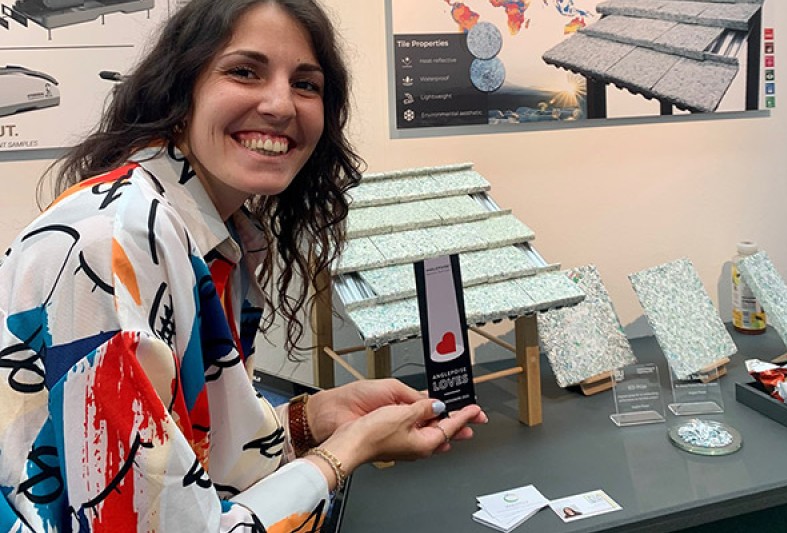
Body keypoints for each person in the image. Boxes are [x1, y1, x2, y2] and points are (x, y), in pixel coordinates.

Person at [0, 0, 487, 531]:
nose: (281, 105)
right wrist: (346, 452)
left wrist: (312, 418)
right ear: (180, 89)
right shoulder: (115, 240)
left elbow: (188, 462)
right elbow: (158, 521)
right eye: (243, 72)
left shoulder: (219, 237)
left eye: (306, 84)